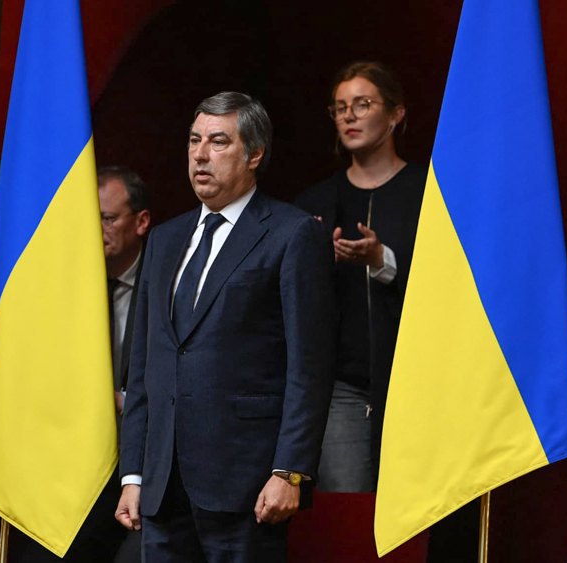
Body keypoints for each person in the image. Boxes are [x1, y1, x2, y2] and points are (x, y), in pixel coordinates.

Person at [115, 91, 335, 562]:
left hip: (247, 480)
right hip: (162, 482)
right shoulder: (164, 240)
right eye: (194, 140)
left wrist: (290, 471)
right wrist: (133, 475)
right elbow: (143, 365)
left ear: (254, 154)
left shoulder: (291, 233)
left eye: (218, 142)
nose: (199, 154)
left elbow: (309, 364)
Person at [295, 61, 427, 492]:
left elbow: (450, 289)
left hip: (419, 387)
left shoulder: (428, 194)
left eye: (363, 104)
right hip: (344, 389)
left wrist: (381, 259)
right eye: (339, 108)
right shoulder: (314, 202)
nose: (348, 116)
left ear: (396, 114)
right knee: (351, 514)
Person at [10, 166, 151, 563]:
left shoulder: (165, 283)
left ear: (141, 222)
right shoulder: (60, 288)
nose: (96, 228)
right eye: (90, 218)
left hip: (138, 460)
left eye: (108, 218)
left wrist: (124, 400)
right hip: (67, 467)